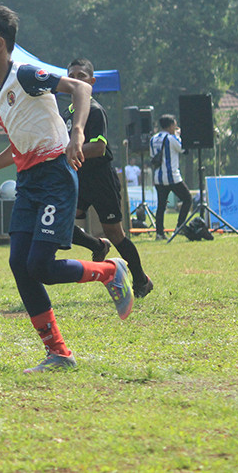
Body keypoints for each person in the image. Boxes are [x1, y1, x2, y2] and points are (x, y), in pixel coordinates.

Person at [0, 4, 132, 374]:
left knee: (41, 266)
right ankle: (59, 353)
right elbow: (19, 144)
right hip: (29, 182)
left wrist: (77, 133)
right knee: (20, 265)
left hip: (55, 177)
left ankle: (109, 272)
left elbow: (80, 88)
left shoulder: (27, 75)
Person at [63, 58, 153, 299]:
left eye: (81, 75)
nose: (76, 79)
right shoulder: (66, 114)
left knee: (115, 233)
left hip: (101, 179)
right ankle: (96, 245)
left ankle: (141, 279)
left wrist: (67, 151)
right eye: (72, 75)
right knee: (63, 224)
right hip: (78, 178)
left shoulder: (94, 110)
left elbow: (99, 148)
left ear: (91, 82)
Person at [150, 114, 191, 240]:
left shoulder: (153, 138)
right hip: (172, 176)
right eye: (174, 124)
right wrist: (178, 135)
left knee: (161, 205)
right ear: (170, 125)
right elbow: (184, 149)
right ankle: (179, 226)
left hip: (158, 177)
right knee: (187, 199)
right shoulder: (171, 138)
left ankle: (159, 233)